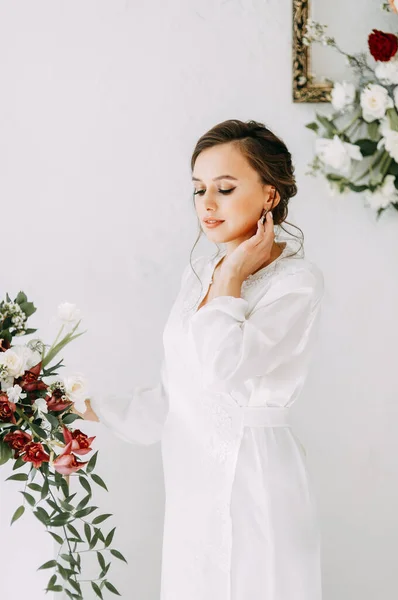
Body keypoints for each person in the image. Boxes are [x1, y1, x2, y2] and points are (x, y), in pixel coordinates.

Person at [76, 119, 324, 600]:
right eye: (198, 189)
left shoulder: (296, 283)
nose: (207, 204)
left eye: (225, 188)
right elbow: (176, 397)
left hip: (255, 473)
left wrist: (231, 273)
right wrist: (67, 405)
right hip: (193, 476)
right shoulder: (198, 278)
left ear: (270, 196)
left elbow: (220, 370)